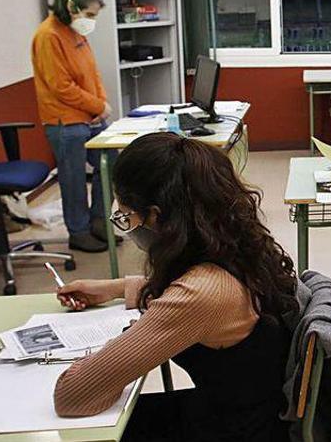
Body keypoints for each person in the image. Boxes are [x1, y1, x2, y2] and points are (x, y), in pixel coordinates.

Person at [53, 133, 297, 441]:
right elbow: (207, 299)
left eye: (127, 217)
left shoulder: (201, 293)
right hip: (249, 415)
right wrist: (116, 288)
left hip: (231, 431)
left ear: (155, 216)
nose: (128, 227)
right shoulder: (236, 243)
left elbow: (73, 397)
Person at [32, 0, 113, 253]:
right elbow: (61, 87)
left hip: (90, 117)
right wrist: (96, 106)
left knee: (111, 162)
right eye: (88, 15)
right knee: (74, 178)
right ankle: (78, 231)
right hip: (64, 121)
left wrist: (100, 105)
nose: (90, 21)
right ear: (71, 7)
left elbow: (92, 73)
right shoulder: (49, 36)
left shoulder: (74, 32)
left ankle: (99, 220)